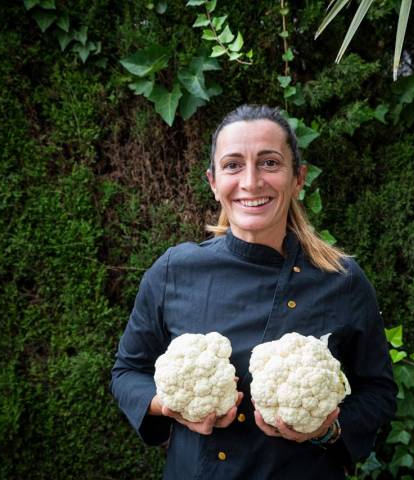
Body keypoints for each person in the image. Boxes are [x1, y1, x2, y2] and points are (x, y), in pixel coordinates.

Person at [110, 104, 397, 479]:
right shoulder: (174, 271)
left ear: (298, 179)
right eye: (232, 165)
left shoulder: (341, 280)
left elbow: (378, 392)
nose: (251, 181)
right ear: (213, 182)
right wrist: (167, 405)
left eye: (269, 163)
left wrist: (327, 430)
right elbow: (127, 371)